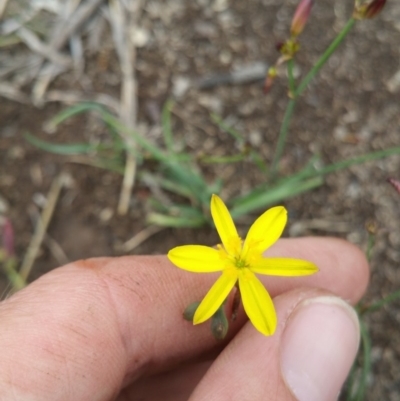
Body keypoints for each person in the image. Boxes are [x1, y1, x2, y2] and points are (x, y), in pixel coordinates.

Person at [0, 237, 369, 401]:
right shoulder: (224, 276)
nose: (239, 257)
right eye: (236, 250)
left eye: (240, 254)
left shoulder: (251, 270)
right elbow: (188, 272)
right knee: (207, 323)